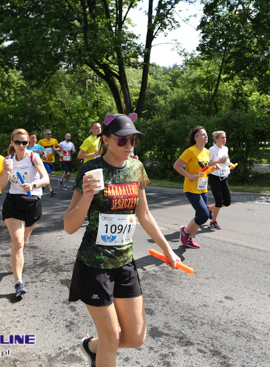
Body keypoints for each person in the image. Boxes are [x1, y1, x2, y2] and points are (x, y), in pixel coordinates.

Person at [64, 113, 180, 367]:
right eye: (122, 141)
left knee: (136, 338)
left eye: (133, 141)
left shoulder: (136, 168)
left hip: (124, 262)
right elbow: (69, 226)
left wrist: (168, 250)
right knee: (112, 337)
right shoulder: (90, 169)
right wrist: (86, 197)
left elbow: (145, 215)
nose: (128, 146)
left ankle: (91, 346)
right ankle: (102, 347)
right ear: (105, 139)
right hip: (94, 264)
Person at [0, 129, 49, 297]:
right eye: (17, 142)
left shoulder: (33, 157)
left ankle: (16, 260)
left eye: (24, 142)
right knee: (18, 242)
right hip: (13, 203)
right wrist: (6, 171)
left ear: (28, 143)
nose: (21, 145)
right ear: (12, 143)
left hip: (32, 203)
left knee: (24, 241)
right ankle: (18, 282)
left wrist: (33, 186)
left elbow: (46, 179)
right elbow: (1, 186)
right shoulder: (8, 160)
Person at [173, 126, 219, 249]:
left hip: (203, 188)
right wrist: (188, 175)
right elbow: (176, 165)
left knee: (199, 215)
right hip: (191, 188)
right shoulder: (190, 151)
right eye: (202, 134)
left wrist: (214, 168)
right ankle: (186, 231)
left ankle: (189, 239)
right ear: (196, 137)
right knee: (204, 215)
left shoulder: (206, 152)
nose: (206, 136)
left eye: (206, 134)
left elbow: (204, 171)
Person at [207, 131, 235, 229]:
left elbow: (226, 161)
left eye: (225, 137)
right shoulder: (212, 149)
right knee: (218, 202)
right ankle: (213, 222)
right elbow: (208, 163)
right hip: (214, 177)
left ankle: (210, 209)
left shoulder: (225, 148)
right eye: (222, 138)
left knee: (227, 202)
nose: (224, 139)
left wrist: (230, 164)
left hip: (224, 177)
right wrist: (218, 162)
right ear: (216, 139)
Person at [37, 129, 59, 197]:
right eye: (48, 134)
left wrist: (55, 149)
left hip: (52, 160)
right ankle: (50, 190)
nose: (49, 135)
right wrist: (41, 153)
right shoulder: (41, 141)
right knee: (48, 175)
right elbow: (37, 149)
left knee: (46, 175)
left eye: (50, 134)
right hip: (44, 160)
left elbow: (59, 148)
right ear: (45, 135)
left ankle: (42, 186)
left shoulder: (54, 140)